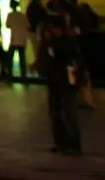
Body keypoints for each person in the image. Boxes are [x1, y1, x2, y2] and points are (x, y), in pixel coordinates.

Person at [38, 15, 83, 156]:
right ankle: (61, 142)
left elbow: (71, 59)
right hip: (54, 80)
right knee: (55, 112)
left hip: (65, 80)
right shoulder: (49, 42)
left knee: (68, 112)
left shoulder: (67, 42)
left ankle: (73, 144)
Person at [3, 0, 30, 81]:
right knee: (22, 58)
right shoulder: (22, 15)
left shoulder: (10, 15)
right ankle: (23, 75)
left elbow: (7, 25)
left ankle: (10, 75)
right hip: (22, 39)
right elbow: (28, 25)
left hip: (14, 39)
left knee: (10, 57)